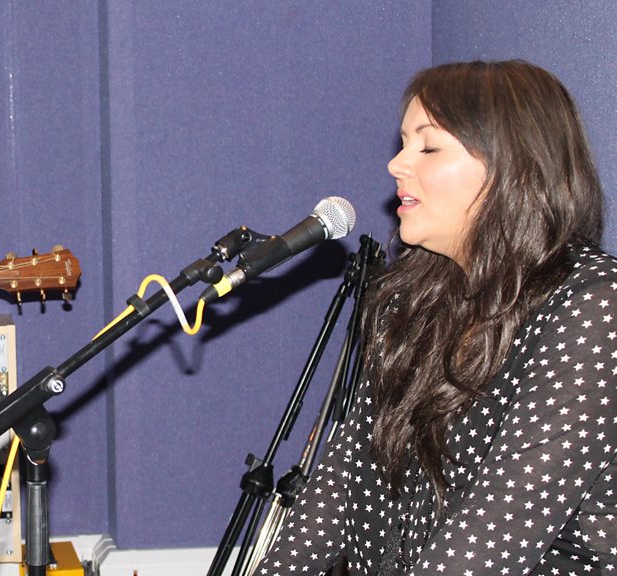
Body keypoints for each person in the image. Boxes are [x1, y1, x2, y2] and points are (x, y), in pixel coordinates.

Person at [254, 60, 616, 575]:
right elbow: (342, 478)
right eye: (403, 144)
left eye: (428, 147)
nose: (396, 165)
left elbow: (493, 537)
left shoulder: (594, 308)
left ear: (515, 165)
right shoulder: (408, 301)